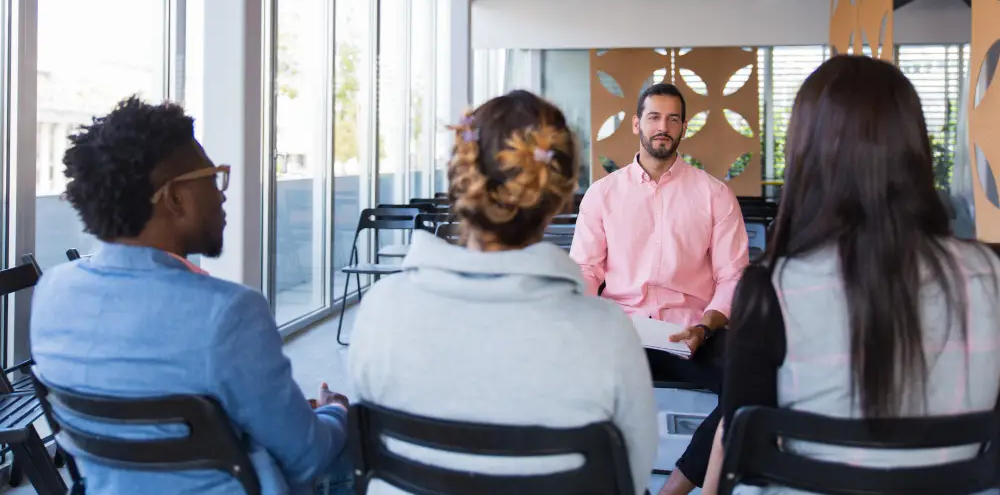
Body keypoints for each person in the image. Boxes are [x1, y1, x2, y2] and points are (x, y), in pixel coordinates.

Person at [702, 55, 1000, 494]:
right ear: (916, 148)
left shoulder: (773, 288)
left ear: (806, 154)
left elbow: (743, 441)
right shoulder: (991, 276)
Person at [31, 97, 352, 495]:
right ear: (176, 198)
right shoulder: (229, 312)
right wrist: (337, 410)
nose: (221, 195)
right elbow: (307, 456)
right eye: (213, 178)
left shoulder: (52, 292)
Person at [348, 90, 657, 495]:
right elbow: (631, 478)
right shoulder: (608, 333)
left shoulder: (380, 310)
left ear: (458, 180)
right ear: (561, 198)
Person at [570, 82, 750, 495]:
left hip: (694, 333)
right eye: (654, 117)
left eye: (672, 119)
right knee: (567, 378)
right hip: (623, 332)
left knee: (750, 382)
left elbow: (733, 276)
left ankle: (674, 490)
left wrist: (708, 324)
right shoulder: (603, 195)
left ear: (684, 127)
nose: (662, 127)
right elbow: (586, 268)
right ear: (636, 123)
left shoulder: (714, 195)